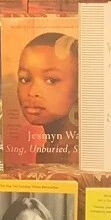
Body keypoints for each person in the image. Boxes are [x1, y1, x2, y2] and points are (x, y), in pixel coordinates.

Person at [15, 32, 78, 164]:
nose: (32, 92)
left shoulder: (79, 155)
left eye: (51, 80)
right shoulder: (47, 152)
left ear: (80, 85)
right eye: (25, 79)